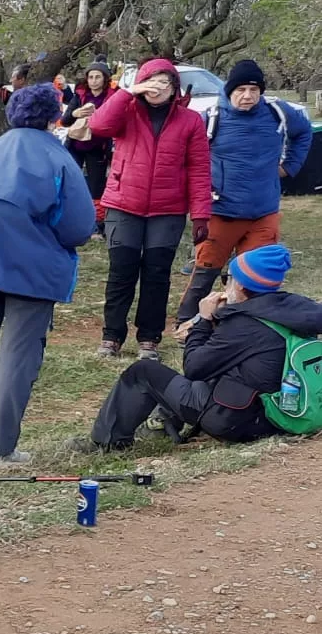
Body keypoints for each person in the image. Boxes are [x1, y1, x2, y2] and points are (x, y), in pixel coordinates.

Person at [0, 84, 96, 467]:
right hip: (30, 268)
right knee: (18, 353)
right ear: (53, 117)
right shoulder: (56, 158)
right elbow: (78, 226)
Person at [73, 245, 322, 451]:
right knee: (205, 375)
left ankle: (105, 443)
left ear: (242, 287)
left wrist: (202, 322)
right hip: (279, 414)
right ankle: (160, 425)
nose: (225, 284)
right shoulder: (295, 311)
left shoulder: (242, 324)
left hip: (238, 421)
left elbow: (194, 368)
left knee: (144, 371)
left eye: (228, 278)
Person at [89, 58, 212, 360]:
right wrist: (128, 92)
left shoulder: (190, 121)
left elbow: (199, 169)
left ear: (174, 88)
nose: (157, 88)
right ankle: (111, 337)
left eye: (164, 83)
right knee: (121, 272)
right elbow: (99, 125)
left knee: (157, 274)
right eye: (151, 81)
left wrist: (200, 214)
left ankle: (149, 339)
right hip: (124, 204)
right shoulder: (126, 110)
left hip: (167, 209)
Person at [174, 60, 312, 327]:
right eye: (240, 89)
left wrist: (290, 166)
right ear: (229, 90)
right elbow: (188, 155)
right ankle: (187, 322)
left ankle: (247, 325)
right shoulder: (211, 118)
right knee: (206, 271)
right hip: (222, 211)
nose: (247, 95)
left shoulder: (278, 113)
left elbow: (304, 132)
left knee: (257, 275)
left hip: (264, 211)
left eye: (253, 89)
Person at [63, 60, 116, 212]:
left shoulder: (112, 97)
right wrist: (75, 113)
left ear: (105, 79)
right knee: (69, 179)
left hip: (98, 147)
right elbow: (66, 120)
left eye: (97, 77)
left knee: (96, 185)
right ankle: (67, 213)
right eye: (90, 77)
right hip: (75, 145)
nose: (93, 81)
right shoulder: (80, 95)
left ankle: (97, 223)